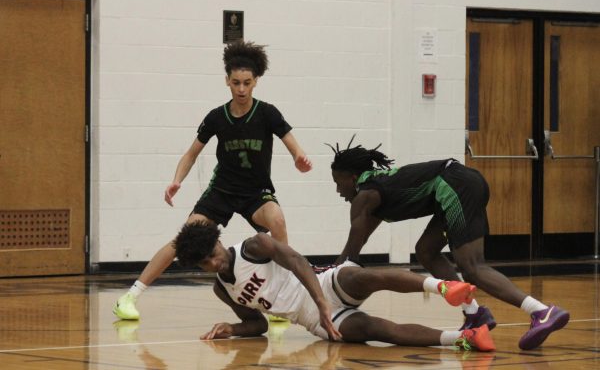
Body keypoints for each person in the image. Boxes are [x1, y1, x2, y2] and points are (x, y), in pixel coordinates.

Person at [113, 40, 312, 320]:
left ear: (256, 81)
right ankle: (130, 297)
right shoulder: (217, 117)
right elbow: (191, 153)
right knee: (183, 239)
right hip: (221, 191)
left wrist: (300, 159)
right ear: (227, 81)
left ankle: (279, 295)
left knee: (276, 220)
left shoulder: (267, 113)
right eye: (235, 83)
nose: (241, 89)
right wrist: (176, 181)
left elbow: (293, 144)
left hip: (256, 192)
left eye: (246, 83)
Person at [327, 136, 570, 350]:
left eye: (339, 183)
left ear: (353, 177)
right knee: (426, 251)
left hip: (456, 184)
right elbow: (354, 248)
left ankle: (541, 311)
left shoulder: (364, 196)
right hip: (461, 182)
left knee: (473, 268)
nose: (338, 191)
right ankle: (475, 313)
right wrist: (337, 267)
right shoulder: (374, 191)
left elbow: (352, 256)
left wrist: (328, 282)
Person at [174, 221, 496, 351]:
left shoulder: (253, 246)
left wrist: (321, 300)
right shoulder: (222, 289)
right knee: (380, 330)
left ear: (218, 241)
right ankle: (464, 338)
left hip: (322, 284)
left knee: (366, 277)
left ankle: (443, 286)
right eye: (206, 264)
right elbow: (257, 324)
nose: (215, 264)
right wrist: (231, 327)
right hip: (312, 319)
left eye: (213, 255)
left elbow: (298, 261)